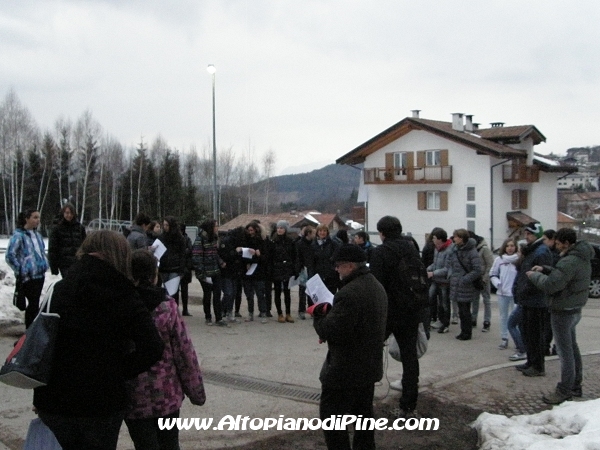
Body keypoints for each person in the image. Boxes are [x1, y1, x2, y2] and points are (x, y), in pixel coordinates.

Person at [33, 230, 164, 450]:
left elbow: (43, 343)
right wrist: (120, 370)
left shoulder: (59, 289)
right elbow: (152, 347)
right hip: (102, 401)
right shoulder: (124, 294)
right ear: (120, 255)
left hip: (54, 400)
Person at [125, 249, 206, 449]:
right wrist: (196, 391)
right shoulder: (166, 307)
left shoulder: (120, 306)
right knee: (169, 444)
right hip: (167, 393)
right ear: (155, 275)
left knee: (144, 445)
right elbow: (184, 351)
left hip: (134, 396)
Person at [310, 244, 387, 450]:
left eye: (339, 266)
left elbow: (330, 331)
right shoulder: (376, 286)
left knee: (333, 420)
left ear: (351, 266)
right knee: (363, 420)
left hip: (345, 370)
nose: (336, 269)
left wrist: (319, 315)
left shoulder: (349, 293)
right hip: (368, 366)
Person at [527, 228, 593, 404]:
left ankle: (564, 390)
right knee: (572, 347)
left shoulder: (569, 260)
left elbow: (551, 285)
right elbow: (564, 277)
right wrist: (547, 268)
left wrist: (535, 275)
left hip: (562, 311)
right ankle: (575, 385)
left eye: (557, 243)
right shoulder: (581, 257)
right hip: (574, 308)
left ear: (566, 243)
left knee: (565, 353)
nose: (555, 247)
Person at [370, 215, 422, 415]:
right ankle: (409, 405)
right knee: (410, 358)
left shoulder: (381, 252)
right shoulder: (411, 247)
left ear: (381, 233)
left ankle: (364, 399)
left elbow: (376, 285)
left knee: (371, 350)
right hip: (411, 308)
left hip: (388, 310)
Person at [513, 222, 553, 377]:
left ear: (536, 234)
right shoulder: (532, 250)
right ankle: (531, 361)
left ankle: (538, 366)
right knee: (528, 333)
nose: (526, 236)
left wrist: (524, 290)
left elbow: (541, 278)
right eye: (525, 233)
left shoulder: (541, 251)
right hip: (528, 299)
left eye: (529, 233)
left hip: (536, 300)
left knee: (536, 334)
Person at [6, 209, 49, 328]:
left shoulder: (37, 235)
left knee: (35, 303)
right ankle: (30, 330)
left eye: (39, 218)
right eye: (35, 217)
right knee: (33, 303)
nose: (38, 220)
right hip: (28, 276)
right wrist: (21, 269)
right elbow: (10, 255)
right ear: (27, 219)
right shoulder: (19, 235)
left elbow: (41, 252)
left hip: (39, 274)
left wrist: (44, 263)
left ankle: (32, 329)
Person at [447, 228, 483, 341]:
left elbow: (477, 270)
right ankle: (463, 331)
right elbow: (451, 264)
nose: (454, 239)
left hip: (465, 285)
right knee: (461, 311)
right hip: (458, 284)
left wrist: (465, 279)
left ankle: (467, 333)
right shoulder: (456, 250)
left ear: (461, 238)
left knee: (465, 310)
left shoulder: (472, 252)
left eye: (456, 237)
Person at [193, 219, 228, 327]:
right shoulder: (200, 239)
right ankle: (208, 316)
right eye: (215, 226)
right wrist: (202, 273)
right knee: (207, 295)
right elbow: (197, 257)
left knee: (217, 294)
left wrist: (221, 262)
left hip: (215, 271)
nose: (217, 228)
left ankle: (219, 318)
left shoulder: (214, 238)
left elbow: (214, 253)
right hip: (205, 273)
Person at [489, 238, 519, 349]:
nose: (510, 248)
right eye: (508, 246)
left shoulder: (519, 259)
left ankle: (518, 340)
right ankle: (504, 338)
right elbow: (492, 274)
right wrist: (498, 284)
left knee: (516, 318)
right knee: (503, 317)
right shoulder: (499, 260)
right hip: (502, 293)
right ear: (504, 247)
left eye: (512, 245)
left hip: (515, 293)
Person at [240, 221, 269, 323]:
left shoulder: (262, 241)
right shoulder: (244, 240)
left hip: (259, 271)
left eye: (251, 230)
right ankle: (250, 313)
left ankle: (263, 312)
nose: (250, 232)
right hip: (247, 270)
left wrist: (257, 254)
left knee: (260, 294)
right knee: (249, 294)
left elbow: (265, 258)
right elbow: (242, 255)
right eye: (248, 230)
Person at [48, 203, 86, 277]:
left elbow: (85, 245)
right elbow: (53, 249)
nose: (69, 215)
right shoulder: (57, 228)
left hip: (78, 262)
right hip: (64, 264)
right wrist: (54, 267)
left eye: (71, 213)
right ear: (63, 213)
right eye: (67, 213)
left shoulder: (80, 228)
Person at [271, 220, 297, 323]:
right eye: (278, 228)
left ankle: (288, 313)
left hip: (287, 267)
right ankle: (280, 313)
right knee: (277, 292)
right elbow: (271, 256)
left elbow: (294, 256)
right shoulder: (273, 241)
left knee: (287, 292)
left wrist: (295, 270)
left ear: (285, 229)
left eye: (281, 228)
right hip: (277, 268)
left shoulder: (291, 241)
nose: (279, 230)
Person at [426, 228, 452, 334]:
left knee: (444, 303)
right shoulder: (437, 249)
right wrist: (428, 268)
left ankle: (445, 323)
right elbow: (435, 263)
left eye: (435, 238)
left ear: (440, 239)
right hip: (435, 280)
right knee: (430, 298)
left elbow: (447, 268)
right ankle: (436, 319)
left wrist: (433, 273)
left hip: (444, 281)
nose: (433, 239)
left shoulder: (449, 251)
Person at [218, 227, 245, 323]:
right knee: (228, 293)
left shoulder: (238, 242)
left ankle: (229, 312)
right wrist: (235, 252)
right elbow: (224, 255)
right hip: (226, 271)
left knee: (233, 293)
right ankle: (222, 311)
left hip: (235, 271)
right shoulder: (226, 241)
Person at [157, 216, 187, 305]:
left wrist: (181, 270)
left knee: (172, 292)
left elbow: (182, 255)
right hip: (164, 267)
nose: (165, 227)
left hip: (175, 268)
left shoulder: (180, 239)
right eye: (164, 225)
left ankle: (173, 310)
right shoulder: (162, 237)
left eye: (167, 225)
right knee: (165, 291)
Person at [470, 232, 495, 331]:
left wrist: (485, 278)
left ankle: (487, 321)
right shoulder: (473, 249)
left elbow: (490, 264)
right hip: (475, 278)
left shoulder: (484, 249)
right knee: (475, 299)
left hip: (483, 279)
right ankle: (473, 318)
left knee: (486, 300)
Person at [308, 225, 340, 295]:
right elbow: (311, 262)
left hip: (330, 276)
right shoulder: (313, 245)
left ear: (327, 232)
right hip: (318, 276)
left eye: (324, 231)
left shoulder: (333, 244)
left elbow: (336, 258)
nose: (322, 233)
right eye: (320, 231)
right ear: (317, 232)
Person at [296, 225, 315, 320]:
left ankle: (311, 309)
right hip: (303, 269)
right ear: (308, 234)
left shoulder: (314, 244)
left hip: (312, 268)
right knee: (302, 291)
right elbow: (298, 256)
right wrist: (300, 267)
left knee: (312, 291)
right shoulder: (300, 243)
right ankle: (301, 310)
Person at [179, 223, 193, 316]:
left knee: (185, 290)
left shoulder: (187, 239)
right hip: (179, 266)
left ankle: (185, 309)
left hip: (185, 267)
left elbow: (190, 250)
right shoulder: (176, 239)